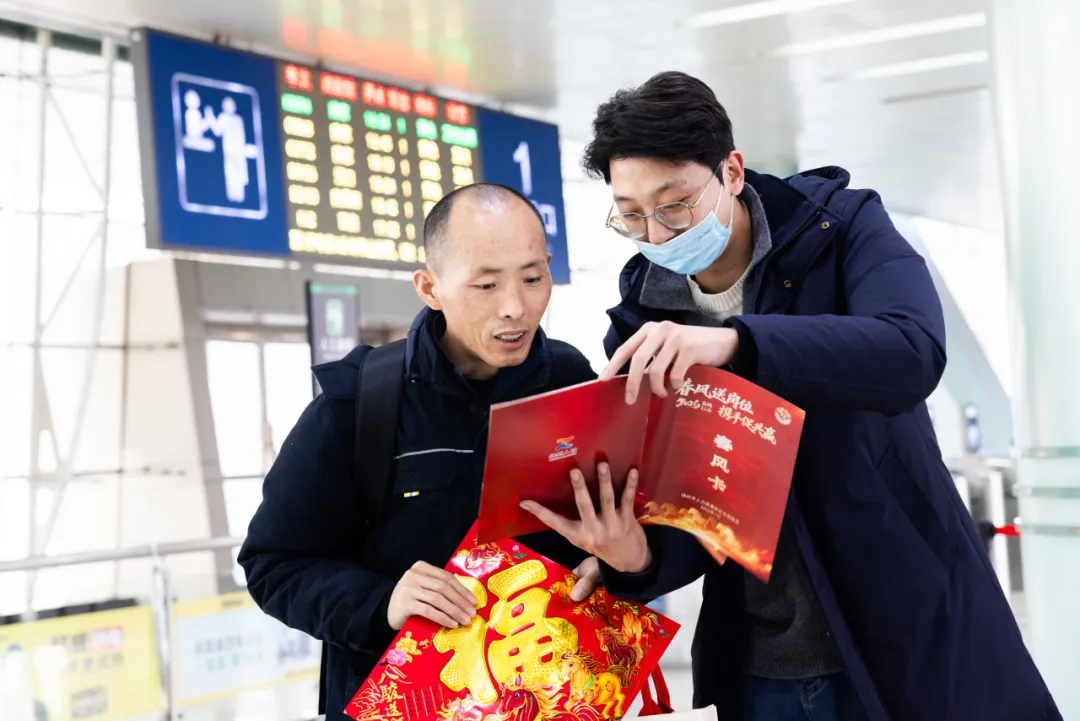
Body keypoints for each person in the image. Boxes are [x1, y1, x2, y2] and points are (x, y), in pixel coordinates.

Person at [521, 71, 1061, 721]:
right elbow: (691, 506)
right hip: (759, 665)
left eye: (675, 205)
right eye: (631, 215)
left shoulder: (841, 228)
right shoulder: (644, 316)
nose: (657, 235)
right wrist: (635, 558)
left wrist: (737, 343)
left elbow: (911, 350)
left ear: (732, 172)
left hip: (902, 628)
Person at [238, 183, 596, 719]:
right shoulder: (359, 402)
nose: (515, 307)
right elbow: (274, 565)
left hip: (548, 698)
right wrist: (383, 603)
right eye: (486, 285)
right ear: (430, 287)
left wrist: (610, 566)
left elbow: (614, 518)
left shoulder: (574, 384)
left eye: (532, 278)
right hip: (405, 702)